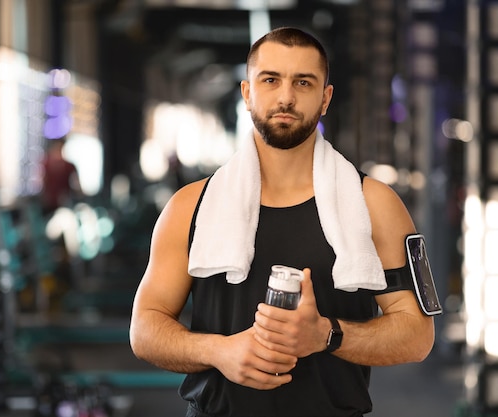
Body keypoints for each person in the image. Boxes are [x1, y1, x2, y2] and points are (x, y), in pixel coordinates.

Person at [130, 27, 435, 417]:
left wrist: (325, 334)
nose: (286, 97)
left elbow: (417, 335)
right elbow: (144, 329)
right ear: (247, 93)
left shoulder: (374, 204)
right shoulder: (190, 207)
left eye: (303, 82)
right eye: (270, 80)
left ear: (325, 99)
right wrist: (218, 351)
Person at [40, 138, 81, 215]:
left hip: (65, 203)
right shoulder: (46, 164)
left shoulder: (69, 166)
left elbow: (77, 187)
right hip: (50, 204)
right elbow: (42, 182)